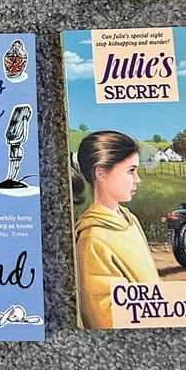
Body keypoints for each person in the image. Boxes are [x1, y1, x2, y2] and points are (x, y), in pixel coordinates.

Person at [73, 130, 159, 329]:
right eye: (130, 171)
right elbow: (104, 319)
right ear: (101, 173)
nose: (138, 179)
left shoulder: (130, 219)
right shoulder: (92, 239)